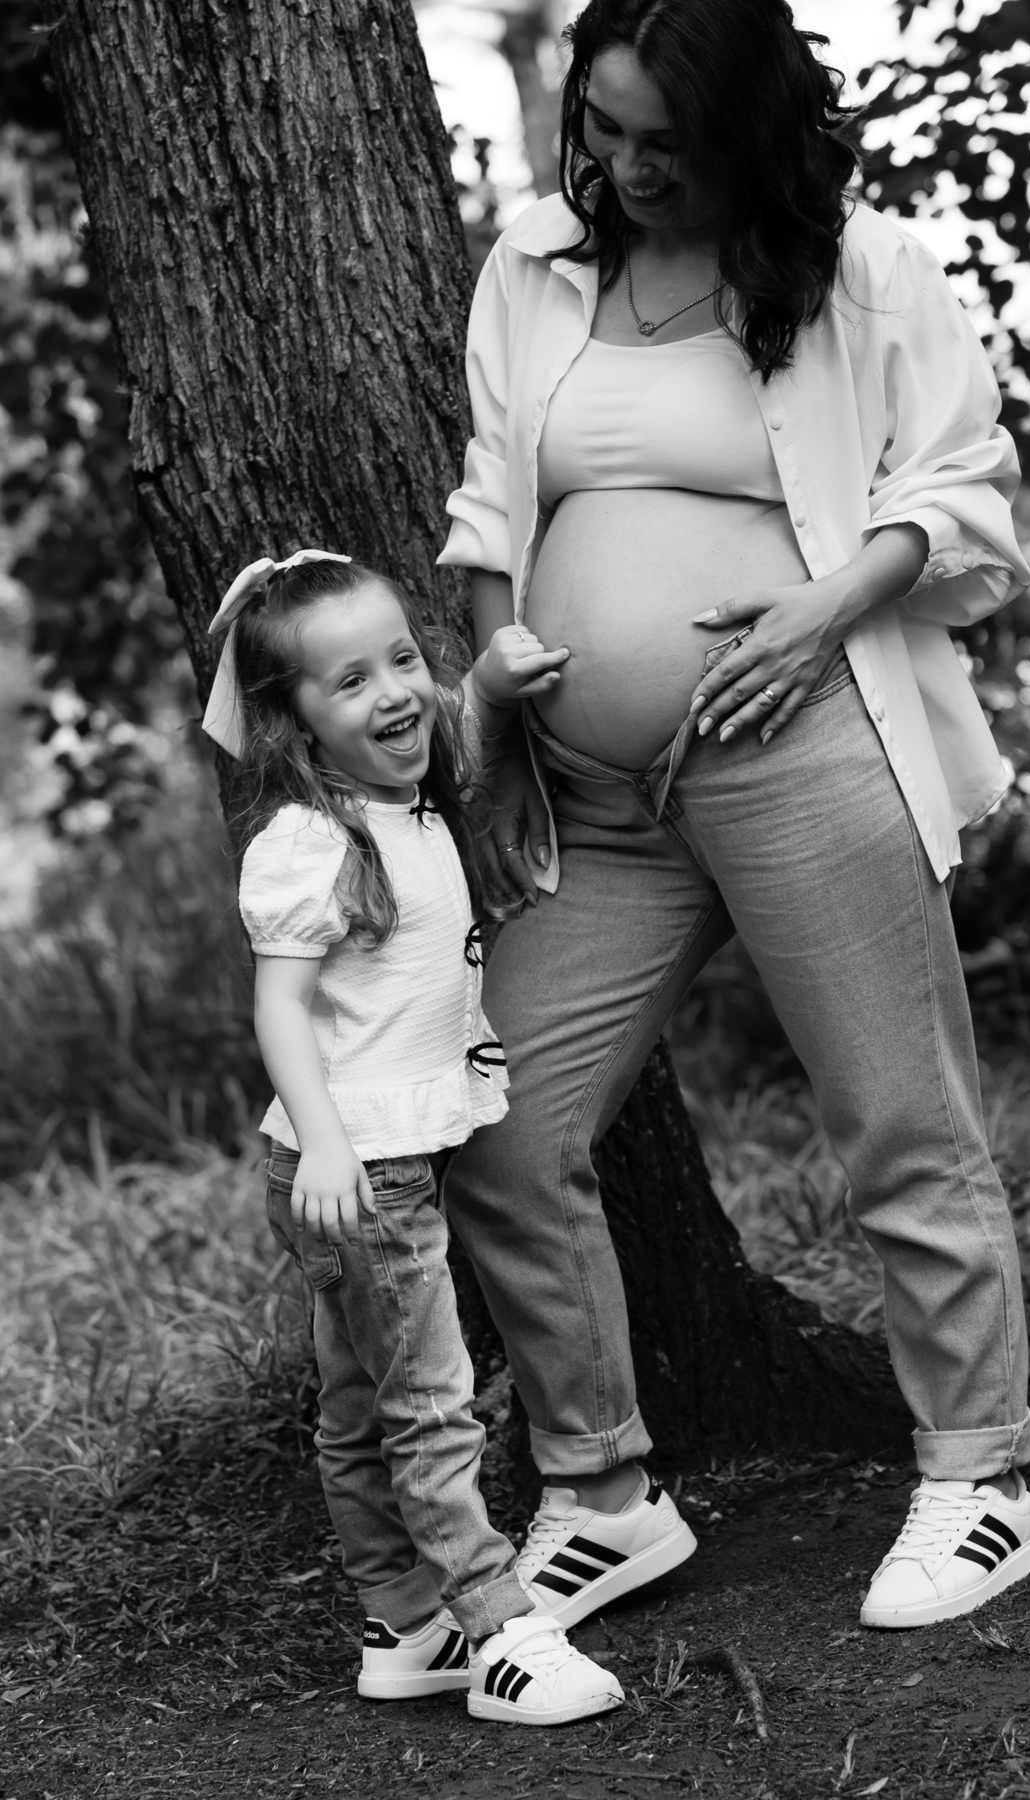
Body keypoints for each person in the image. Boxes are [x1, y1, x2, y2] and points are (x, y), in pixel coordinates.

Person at [438, 0, 1030, 1633]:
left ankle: (981, 1482)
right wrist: (499, 706)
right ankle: (604, 1491)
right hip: (595, 794)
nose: (628, 168)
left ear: (746, 132)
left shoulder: (868, 272)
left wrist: (814, 617)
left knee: (896, 1119)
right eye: (608, 128)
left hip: (800, 742)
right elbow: (500, 493)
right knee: (496, 1120)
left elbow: (962, 493)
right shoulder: (534, 264)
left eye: (666, 141)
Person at [200, 547, 623, 1724]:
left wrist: (481, 684)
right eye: (351, 682)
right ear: (295, 725)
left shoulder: (408, 801)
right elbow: (280, 1007)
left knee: (356, 1404)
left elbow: (464, 738)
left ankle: (403, 1626)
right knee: (428, 1404)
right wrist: (331, 1148)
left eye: (402, 659)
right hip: (357, 1164)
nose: (393, 693)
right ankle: (500, 1630)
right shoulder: (310, 844)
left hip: (378, 1150)